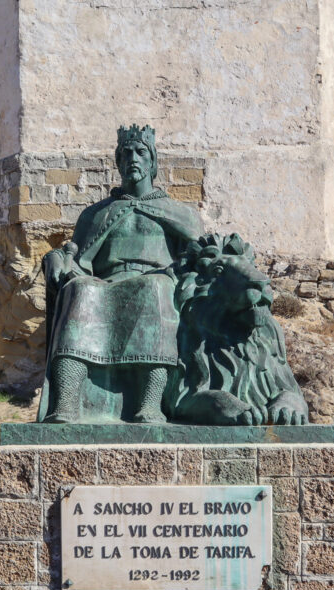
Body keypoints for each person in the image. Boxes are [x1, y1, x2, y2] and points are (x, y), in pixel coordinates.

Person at [38, 125, 203, 423]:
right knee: (80, 290)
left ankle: (149, 404)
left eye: (140, 152)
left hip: (157, 279)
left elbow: (198, 257)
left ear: (152, 161)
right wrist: (55, 260)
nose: (133, 159)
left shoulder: (181, 213)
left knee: (154, 287)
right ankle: (66, 404)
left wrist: (176, 272)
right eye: (126, 153)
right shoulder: (96, 213)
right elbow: (76, 258)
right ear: (118, 162)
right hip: (106, 282)